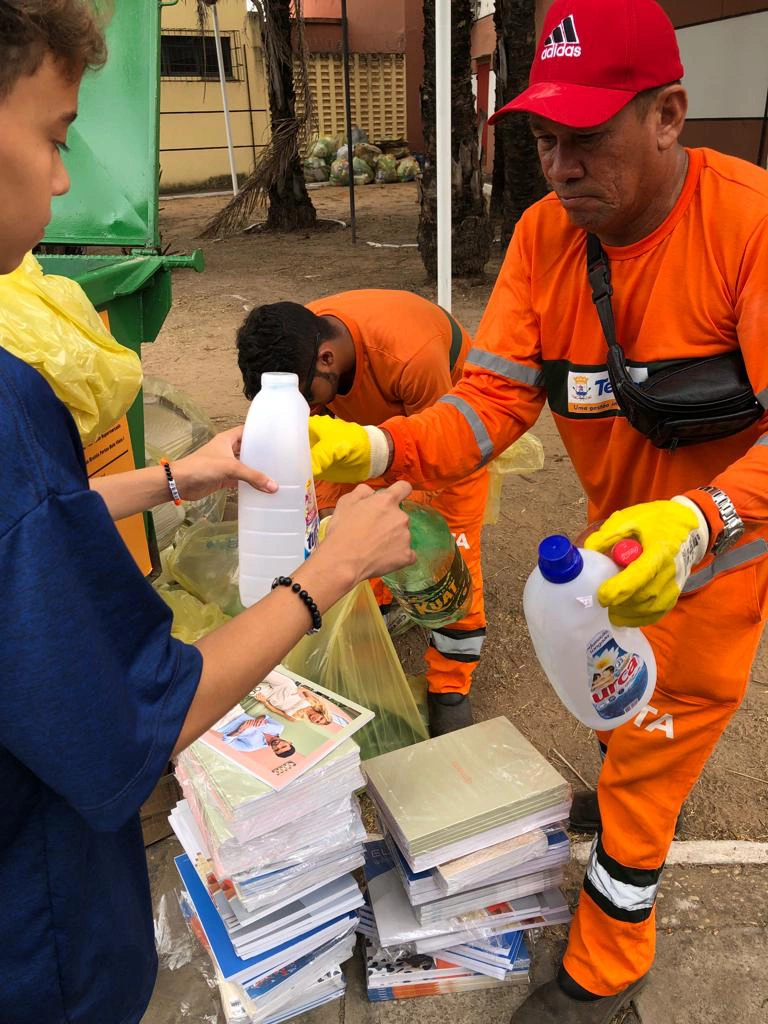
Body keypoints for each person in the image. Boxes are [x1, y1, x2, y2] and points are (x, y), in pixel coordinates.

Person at [306, 0, 768, 1019]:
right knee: (619, 728)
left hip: (717, 565)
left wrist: (701, 523)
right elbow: (494, 399)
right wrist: (380, 445)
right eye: (547, 138)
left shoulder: (750, 226)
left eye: (588, 135)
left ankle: (603, 977)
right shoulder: (544, 238)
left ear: (670, 115)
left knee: (646, 762)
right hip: (602, 571)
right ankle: (617, 792)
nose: (561, 165)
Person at [0, 5, 414, 1024]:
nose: (61, 177)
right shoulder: (5, 404)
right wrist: (328, 574)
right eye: (53, 136)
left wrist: (177, 477)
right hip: (34, 954)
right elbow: (141, 717)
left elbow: (29, 529)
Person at [236, 291, 489, 735]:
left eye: (305, 401)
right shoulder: (295, 340)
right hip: (355, 432)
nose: (305, 413)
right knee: (327, 522)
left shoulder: (413, 357)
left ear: (327, 358)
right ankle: (375, 607)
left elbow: (442, 455)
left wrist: (411, 508)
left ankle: (450, 682)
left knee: (445, 551)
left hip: (441, 427)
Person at [254, 673, 332, 725]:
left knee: (248, 681)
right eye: (321, 718)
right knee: (264, 672)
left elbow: (275, 710)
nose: (317, 719)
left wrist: (264, 702)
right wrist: (300, 690)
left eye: (318, 722)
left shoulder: (295, 719)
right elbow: (305, 689)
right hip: (285, 686)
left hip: (269, 695)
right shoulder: (314, 703)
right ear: (322, 713)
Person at [218, 713, 295, 755]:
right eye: (283, 746)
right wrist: (261, 718)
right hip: (237, 711)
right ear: (289, 742)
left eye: (277, 749)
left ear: (274, 751)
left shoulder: (251, 748)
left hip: (221, 723)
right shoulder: (279, 727)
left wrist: (239, 731)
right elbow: (266, 716)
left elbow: (226, 742)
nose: (278, 746)